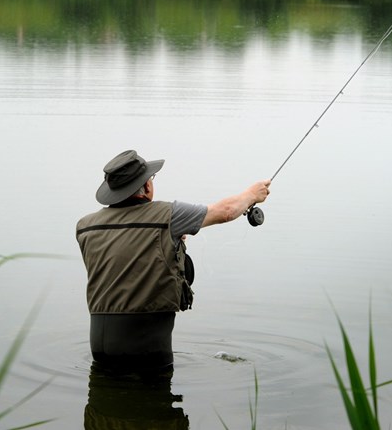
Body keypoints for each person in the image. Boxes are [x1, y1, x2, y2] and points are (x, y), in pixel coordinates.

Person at [76, 149, 270, 373]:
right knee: (154, 392)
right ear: (146, 186)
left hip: (99, 347)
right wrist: (252, 194)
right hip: (146, 348)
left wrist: (167, 239)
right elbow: (226, 212)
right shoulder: (168, 215)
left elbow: (122, 260)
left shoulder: (85, 227)